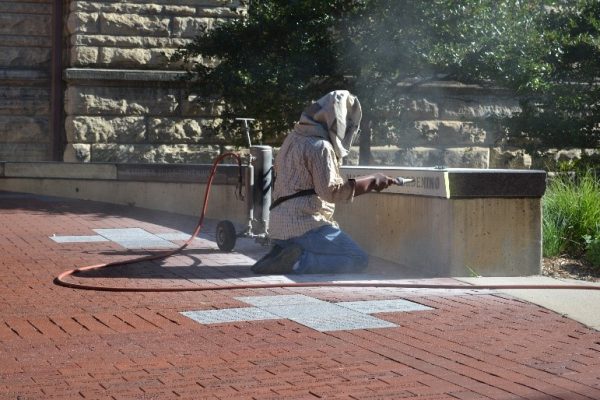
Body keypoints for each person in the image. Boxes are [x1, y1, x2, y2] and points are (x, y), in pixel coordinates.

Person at [251, 90, 395, 275]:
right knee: (358, 258)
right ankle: (298, 261)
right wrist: (372, 181)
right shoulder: (321, 147)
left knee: (326, 244)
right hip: (305, 225)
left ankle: (281, 255)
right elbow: (331, 193)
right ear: (338, 120)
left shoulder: (292, 138)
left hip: (278, 227)